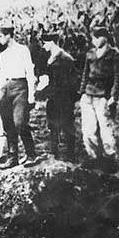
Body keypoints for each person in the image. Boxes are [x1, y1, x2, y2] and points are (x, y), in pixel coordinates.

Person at [79, 26, 119, 172]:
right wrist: (82, 92)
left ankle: (110, 160)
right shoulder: (90, 54)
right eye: (93, 38)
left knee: (106, 129)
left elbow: (118, 77)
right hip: (89, 94)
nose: (94, 41)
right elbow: (85, 74)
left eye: (97, 37)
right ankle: (93, 158)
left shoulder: (114, 54)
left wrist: (113, 96)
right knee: (88, 129)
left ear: (105, 37)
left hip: (103, 96)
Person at [0, 22, 38, 169]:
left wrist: (31, 95)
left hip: (21, 88)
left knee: (20, 122)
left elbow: (30, 73)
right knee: (7, 123)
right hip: (5, 89)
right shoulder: (3, 54)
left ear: (9, 35)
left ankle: (31, 154)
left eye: (1, 36)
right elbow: (1, 76)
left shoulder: (23, 50)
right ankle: (12, 156)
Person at [37, 33, 79, 161]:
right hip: (54, 96)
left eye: (44, 43)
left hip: (64, 97)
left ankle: (70, 155)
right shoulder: (52, 57)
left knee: (67, 125)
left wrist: (70, 98)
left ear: (51, 42)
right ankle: (54, 153)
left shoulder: (65, 58)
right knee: (52, 125)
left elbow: (72, 81)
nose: (43, 47)